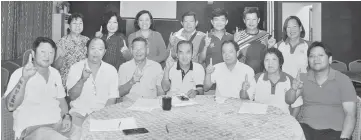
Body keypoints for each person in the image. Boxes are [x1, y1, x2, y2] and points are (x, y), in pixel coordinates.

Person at [4, 37, 80, 140]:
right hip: (33, 130)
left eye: (51, 53)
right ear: (33, 54)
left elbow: (62, 101)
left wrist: (66, 116)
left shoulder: (55, 73)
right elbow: (10, 106)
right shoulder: (20, 74)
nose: (47, 56)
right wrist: (24, 79)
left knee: (83, 133)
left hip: (57, 125)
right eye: (43, 52)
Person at [285, 42, 357, 140]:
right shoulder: (303, 78)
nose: (316, 59)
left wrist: (344, 138)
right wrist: (293, 89)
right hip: (306, 129)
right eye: (312, 56)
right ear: (308, 61)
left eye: (320, 55)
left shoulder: (343, 80)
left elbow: (350, 114)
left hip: (334, 132)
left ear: (330, 59)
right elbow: (289, 100)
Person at [66, 38, 119, 128]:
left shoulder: (111, 70)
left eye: (100, 49)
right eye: (93, 48)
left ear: (105, 52)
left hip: (103, 115)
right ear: (87, 50)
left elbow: (112, 98)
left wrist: (102, 115)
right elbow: (72, 96)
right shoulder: (76, 68)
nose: (96, 52)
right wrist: (82, 79)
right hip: (79, 114)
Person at [254, 48, 302, 116]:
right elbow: (247, 100)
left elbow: (296, 107)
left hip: (283, 122)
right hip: (260, 121)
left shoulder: (290, 80)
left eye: (274, 59)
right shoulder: (257, 78)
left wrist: (291, 123)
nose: (270, 63)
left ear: (280, 62)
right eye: (267, 60)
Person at [118, 37, 164, 101]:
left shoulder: (156, 66)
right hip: (129, 106)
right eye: (135, 49)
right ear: (131, 50)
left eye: (141, 49)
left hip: (150, 104)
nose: (138, 52)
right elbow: (119, 93)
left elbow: (160, 91)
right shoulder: (124, 67)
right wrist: (132, 81)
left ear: (147, 50)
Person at [54, 13, 90, 86]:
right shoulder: (62, 42)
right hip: (67, 81)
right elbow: (55, 67)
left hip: (83, 79)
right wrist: (61, 57)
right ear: (69, 26)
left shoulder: (87, 41)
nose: (78, 26)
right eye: (74, 23)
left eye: (80, 23)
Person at [233, 7, 271, 74]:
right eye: (248, 19)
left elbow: (271, 56)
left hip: (262, 75)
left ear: (258, 20)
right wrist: (234, 42)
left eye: (254, 19)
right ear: (244, 20)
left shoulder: (265, 35)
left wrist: (271, 47)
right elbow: (232, 57)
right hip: (242, 74)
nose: (251, 22)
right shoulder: (238, 36)